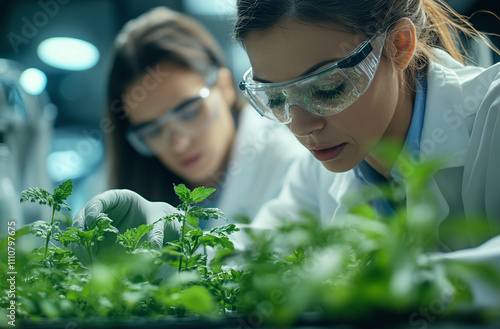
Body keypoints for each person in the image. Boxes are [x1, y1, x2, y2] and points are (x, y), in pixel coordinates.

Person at [74, 0, 500, 304]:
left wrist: (395, 286)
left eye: (327, 87)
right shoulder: (318, 174)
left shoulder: (492, 117)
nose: (301, 126)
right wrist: (163, 234)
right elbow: (252, 258)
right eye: (276, 98)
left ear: (400, 45)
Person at [99, 6, 308, 232]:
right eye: (152, 131)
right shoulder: (145, 195)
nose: (178, 143)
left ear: (225, 86)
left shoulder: (291, 163)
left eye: (189, 112)